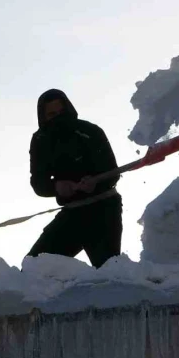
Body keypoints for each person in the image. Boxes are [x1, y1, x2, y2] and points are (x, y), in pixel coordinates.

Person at [27, 89, 123, 268]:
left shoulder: (90, 131)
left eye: (61, 112)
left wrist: (95, 181)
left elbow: (113, 172)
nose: (57, 117)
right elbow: (38, 183)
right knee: (34, 266)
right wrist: (56, 187)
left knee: (109, 271)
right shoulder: (40, 140)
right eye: (52, 114)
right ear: (43, 116)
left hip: (104, 210)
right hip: (72, 213)